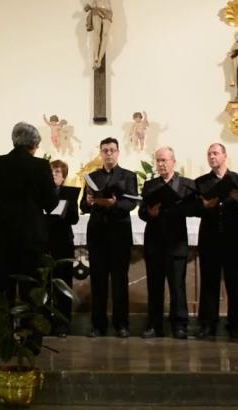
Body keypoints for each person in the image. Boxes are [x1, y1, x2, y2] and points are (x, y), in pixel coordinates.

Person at [0, 123, 59, 305]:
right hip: (31, 236)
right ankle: (30, 330)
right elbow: (51, 203)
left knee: (3, 285)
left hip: (2, 234)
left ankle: (3, 330)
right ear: (34, 144)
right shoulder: (40, 165)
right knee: (30, 286)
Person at [193, 143, 238, 339]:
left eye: (215, 153)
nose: (212, 157)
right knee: (209, 282)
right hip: (210, 238)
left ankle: (235, 325)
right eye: (209, 154)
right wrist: (205, 206)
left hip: (233, 237)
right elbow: (194, 210)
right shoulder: (201, 182)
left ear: (224, 156)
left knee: (234, 282)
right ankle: (207, 324)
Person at [80, 137, 138, 338]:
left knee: (120, 282)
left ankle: (121, 324)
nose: (109, 154)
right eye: (105, 150)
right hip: (97, 235)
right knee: (98, 282)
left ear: (118, 152)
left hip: (119, 234)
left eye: (112, 150)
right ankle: (98, 325)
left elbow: (132, 204)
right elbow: (83, 206)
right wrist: (88, 201)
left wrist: (115, 204)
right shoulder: (92, 177)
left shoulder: (129, 176)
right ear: (101, 153)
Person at [138, 147, 196, 339]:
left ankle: (180, 325)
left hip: (176, 242)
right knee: (154, 287)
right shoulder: (149, 185)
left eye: (164, 160)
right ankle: (155, 325)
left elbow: (192, 208)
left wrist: (175, 208)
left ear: (173, 161)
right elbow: (141, 212)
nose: (161, 164)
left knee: (177, 287)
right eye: (158, 161)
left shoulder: (186, 185)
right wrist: (149, 213)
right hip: (155, 242)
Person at [46, 159, 80, 337]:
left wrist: (63, 212)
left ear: (64, 177)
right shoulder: (42, 193)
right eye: (52, 172)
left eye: (58, 172)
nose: (54, 175)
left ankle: (62, 325)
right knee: (44, 283)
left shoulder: (68, 194)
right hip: (44, 241)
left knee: (63, 283)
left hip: (63, 241)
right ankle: (43, 323)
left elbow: (74, 219)